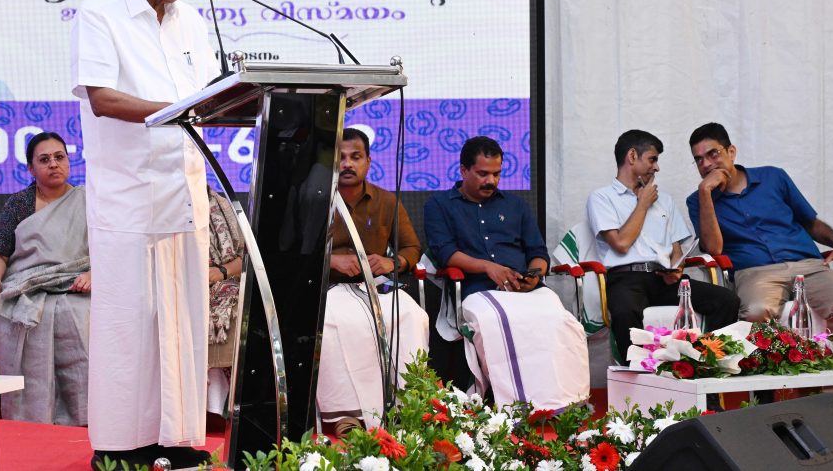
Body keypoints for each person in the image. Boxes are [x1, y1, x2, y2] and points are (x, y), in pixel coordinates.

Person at [71, 0, 218, 471]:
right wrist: (174, 111)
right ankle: (119, 445)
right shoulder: (100, 15)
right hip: (129, 196)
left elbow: (210, 94)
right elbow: (102, 98)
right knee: (129, 322)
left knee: (184, 319)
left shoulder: (191, 20)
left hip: (184, 189)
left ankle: (178, 439)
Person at [424, 136, 588, 408]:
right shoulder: (439, 205)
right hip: (477, 289)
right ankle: (509, 403)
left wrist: (535, 275)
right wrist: (489, 268)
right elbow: (446, 253)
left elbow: (538, 251)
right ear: (463, 170)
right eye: (483, 174)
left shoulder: (515, 205)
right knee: (494, 323)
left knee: (560, 320)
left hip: (526, 288)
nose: (491, 181)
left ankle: (564, 400)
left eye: (497, 174)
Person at [687, 122, 833, 334]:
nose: (706, 164)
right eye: (699, 159)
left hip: (808, 265)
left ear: (731, 152)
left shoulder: (773, 177)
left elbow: (810, 221)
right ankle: (773, 357)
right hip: (755, 272)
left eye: (712, 154)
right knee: (755, 313)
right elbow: (714, 249)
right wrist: (705, 192)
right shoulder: (697, 200)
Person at [586, 130, 739, 360]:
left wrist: (676, 268)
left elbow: (676, 248)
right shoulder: (602, 198)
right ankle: (635, 373)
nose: (656, 167)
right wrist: (643, 204)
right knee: (625, 312)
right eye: (652, 159)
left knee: (726, 300)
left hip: (663, 279)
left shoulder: (665, 200)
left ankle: (708, 363)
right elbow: (621, 243)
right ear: (632, 156)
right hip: (626, 279)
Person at [317, 128, 429, 436]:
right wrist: (331, 260)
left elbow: (412, 247)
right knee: (333, 322)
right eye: (340, 158)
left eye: (355, 157)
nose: (348, 164)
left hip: (374, 287)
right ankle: (345, 415)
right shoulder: (314, 199)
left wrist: (395, 262)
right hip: (328, 288)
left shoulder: (386, 200)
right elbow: (291, 251)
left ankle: (409, 405)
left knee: (412, 316)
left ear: (368, 161)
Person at [0, 131, 90, 426]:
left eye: (59, 157)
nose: (53, 164)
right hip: (27, 285)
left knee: (77, 314)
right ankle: (26, 418)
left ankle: (86, 417)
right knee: (7, 317)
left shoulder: (88, 201)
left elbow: (110, 247)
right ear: (31, 168)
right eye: (44, 159)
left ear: (69, 161)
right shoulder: (20, 204)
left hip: (76, 285)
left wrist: (94, 273)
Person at [206, 186, 245, 416]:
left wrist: (221, 271)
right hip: (177, 285)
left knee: (239, 306)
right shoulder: (164, 206)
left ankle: (224, 406)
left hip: (224, 280)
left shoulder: (223, 205)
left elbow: (246, 256)